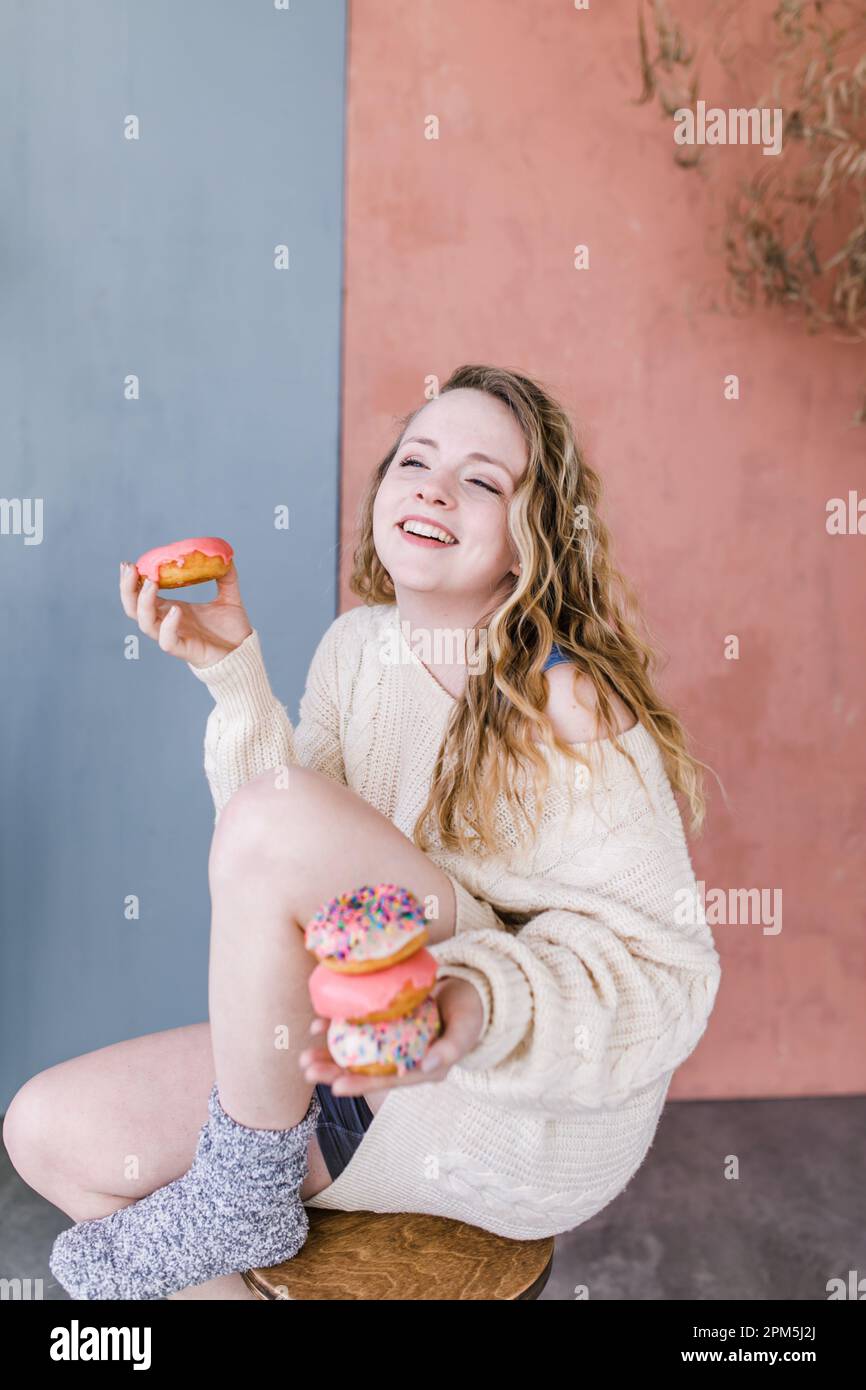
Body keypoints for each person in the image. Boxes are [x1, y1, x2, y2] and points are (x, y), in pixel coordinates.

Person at [3, 363, 721, 1300]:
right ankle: (246, 1186)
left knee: (278, 820)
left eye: (482, 479)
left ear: (529, 540)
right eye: (415, 459)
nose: (433, 485)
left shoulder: (569, 699)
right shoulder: (358, 649)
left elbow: (665, 975)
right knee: (43, 1130)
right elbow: (276, 865)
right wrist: (234, 675)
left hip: (514, 1106)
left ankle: (242, 1185)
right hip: (360, 1064)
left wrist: (472, 1000)